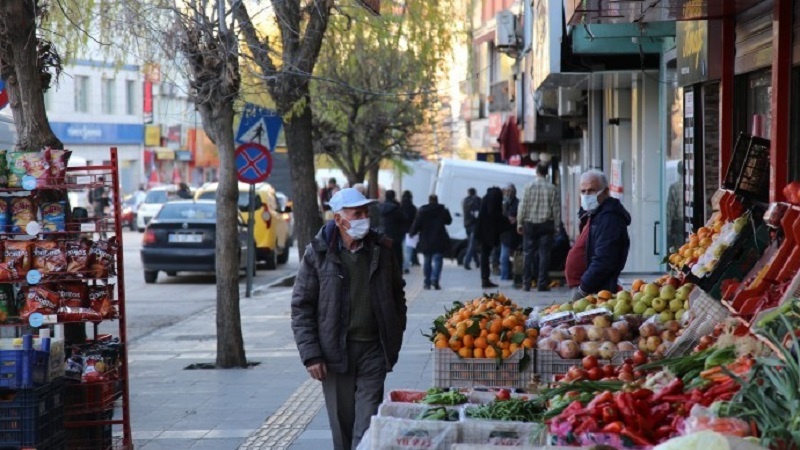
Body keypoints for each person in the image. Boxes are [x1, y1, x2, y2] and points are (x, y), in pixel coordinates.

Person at [291, 187, 407, 450]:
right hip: (334, 354)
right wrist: (312, 355)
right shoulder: (317, 254)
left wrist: (395, 333)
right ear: (339, 219)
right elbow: (302, 307)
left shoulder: (382, 249)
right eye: (357, 213)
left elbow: (397, 294)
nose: (365, 218)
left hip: (373, 350)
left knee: (367, 425)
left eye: (366, 212)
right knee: (342, 428)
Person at [565, 169, 631, 300]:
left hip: (595, 290)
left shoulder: (609, 219)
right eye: (583, 191)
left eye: (591, 191)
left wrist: (583, 288)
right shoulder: (594, 214)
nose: (586, 195)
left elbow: (604, 259)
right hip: (587, 288)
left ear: (606, 192)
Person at [517, 163, 560, 292]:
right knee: (544, 254)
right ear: (547, 173)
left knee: (528, 254)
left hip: (530, 224)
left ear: (536, 172)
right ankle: (542, 283)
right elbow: (556, 209)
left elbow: (522, 206)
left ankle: (526, 283)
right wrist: (557, 226)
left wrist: (519, 223)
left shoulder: (528, 187)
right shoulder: (552, 188)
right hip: (546, 225)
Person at [409, 194, 452, 290]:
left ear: (428, 200)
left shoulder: (422, 211)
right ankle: (435, 280)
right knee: (438, 260)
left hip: (426, 239)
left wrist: (412, 233)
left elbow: (417, 224)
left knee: (427, 261)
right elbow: (449, 221)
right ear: (437, 200)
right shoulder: (442, 210)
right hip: (439, 239)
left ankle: (427, 282)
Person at [475, 187, 512, 288]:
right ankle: (485, 278)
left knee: (484, 255)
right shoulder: (495, 199)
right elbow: (496, 215)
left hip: (483, 231)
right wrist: (507, 221)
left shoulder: (487, 198)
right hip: (488, 232)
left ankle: (485, 278)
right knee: (485, 255)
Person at [378, 190, 407, 268]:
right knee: (397, 257)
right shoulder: (395, 208)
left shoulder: (379, 208)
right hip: (395, 236)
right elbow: (403, 219)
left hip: (382, 235)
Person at [500, 183, 521, 281]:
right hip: (505, 234)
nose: (508, 193)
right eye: (507, 191)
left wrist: (516, 219)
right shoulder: (504, 204)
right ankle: (504, 276)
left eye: (510, 191)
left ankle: (511, 275)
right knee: (504, 257)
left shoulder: (518, 203)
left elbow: (520, 215)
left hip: (515, 234)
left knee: (514, 257)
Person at [462, 188, 481, 270]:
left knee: (472, 244)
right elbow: (477, 213)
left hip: (467, 225)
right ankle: (466, 262)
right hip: (474, 224)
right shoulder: (477, 200)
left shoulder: (465, 200)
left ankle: (477, 262)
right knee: (472, 245)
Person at [400, 190, 418, 273]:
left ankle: (401, 265)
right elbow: (416, 221)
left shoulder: (399, 207)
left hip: (400, 231)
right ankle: (406, 267)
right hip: (410, 231)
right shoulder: (413, 208)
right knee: (408, 251)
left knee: (401, 250)